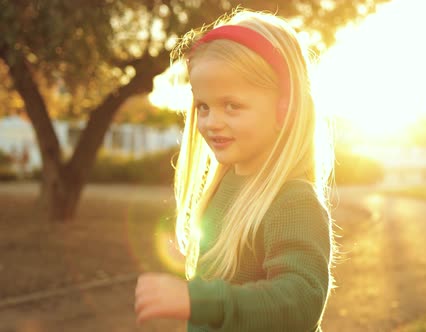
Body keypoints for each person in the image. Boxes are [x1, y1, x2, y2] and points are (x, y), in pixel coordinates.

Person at [134, 8, 336, 332]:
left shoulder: (293, 201)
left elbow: (300, 300)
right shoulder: (225, 183)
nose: (212, 122)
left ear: (284, 109)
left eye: (232, 105)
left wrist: (200, 300)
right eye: (204, 106)